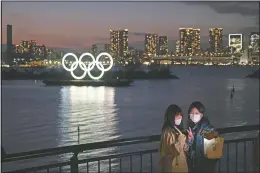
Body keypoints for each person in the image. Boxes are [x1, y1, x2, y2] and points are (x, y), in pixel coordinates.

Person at [186, 101, 219, 173]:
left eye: (196, 113)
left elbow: (215, 154)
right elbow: (188, 151)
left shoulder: (208, 130)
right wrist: (189, 140)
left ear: (202, 115)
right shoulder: (192, 130)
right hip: (193, 168)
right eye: (192, 113)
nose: (194, 115)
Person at [159, 104, 189, 173]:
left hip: (178, 164)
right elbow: (174, 150)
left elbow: (181, 148)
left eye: (180, 115)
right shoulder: (168, 132)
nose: (180, 118)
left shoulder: (175, 129)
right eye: (177, 116)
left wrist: (187, 142)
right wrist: (181, 138)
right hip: (173, 166)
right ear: (171, 117)